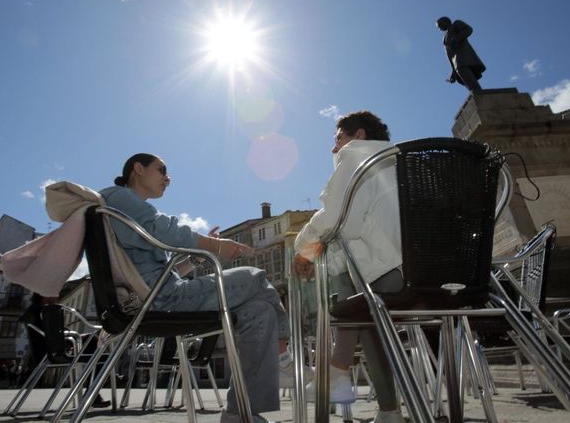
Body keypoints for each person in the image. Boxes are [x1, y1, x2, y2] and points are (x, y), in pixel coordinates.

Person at [101, 153, 308, 423]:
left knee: (259, 311)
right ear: (138, 169)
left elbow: (168, 271)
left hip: (160, 294)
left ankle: (240, 413)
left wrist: (197, 257)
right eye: (161, 170)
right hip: (162, 300)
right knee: (254, 276)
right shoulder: (119, 198)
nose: (168, 177)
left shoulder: (129, 213)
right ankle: (282, 357)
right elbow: (166, 230)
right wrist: (216, 246)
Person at [292, 110, 404, 423]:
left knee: (358, 297)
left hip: (390, 277)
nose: (333, 148)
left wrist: (303, 251)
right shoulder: (402, 163)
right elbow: (362, 231)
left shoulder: (357, 156)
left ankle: (337, 369)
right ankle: (385, 407)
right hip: (435, 275)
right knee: (361, 297)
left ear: (358, 136)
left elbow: (336, 220)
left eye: (337, 138)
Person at [437, 16, 486, 92]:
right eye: (438, 27)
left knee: (472, 83)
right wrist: (453, 71)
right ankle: (477, 95)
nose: (439, 28)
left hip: (465, 58)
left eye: (440, 25)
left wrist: (455, 39)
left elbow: (468, 30)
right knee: (468, 83)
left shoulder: (456, 24)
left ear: (446, 22)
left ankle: (480, 95)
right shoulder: (444, 38)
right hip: (457, 64)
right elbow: (449, 55)